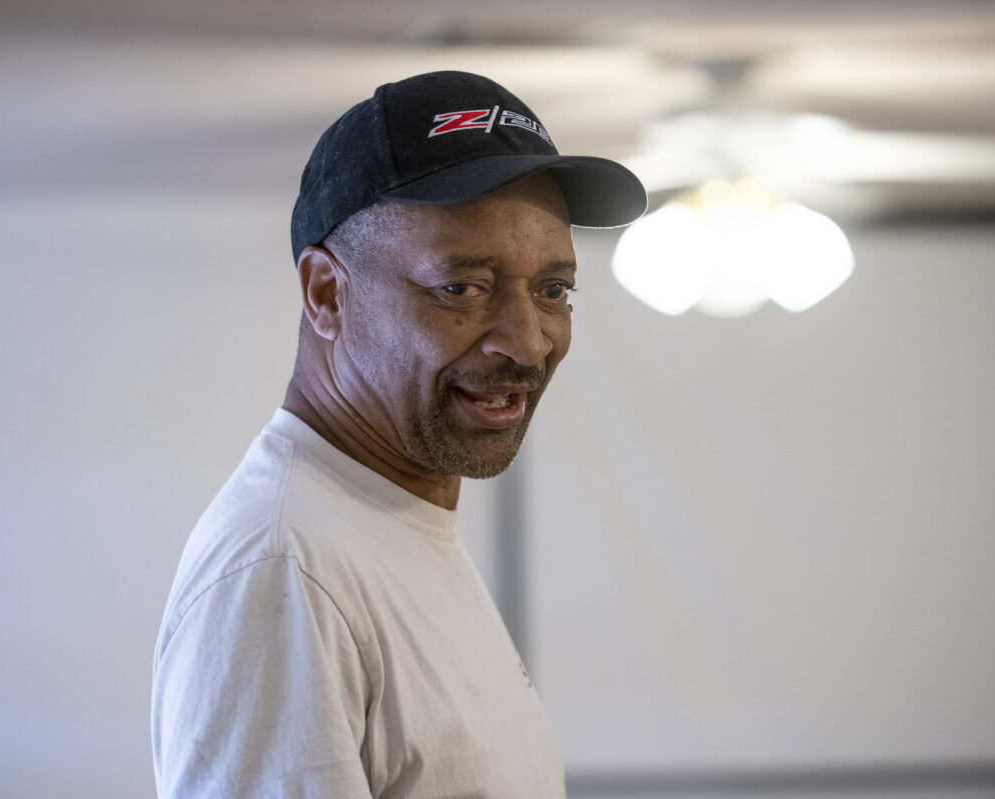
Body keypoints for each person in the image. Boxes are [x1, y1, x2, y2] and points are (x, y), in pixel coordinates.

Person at [151, 70, 645, 798]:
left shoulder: (387, 523)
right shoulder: (286, 568)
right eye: (462, 287)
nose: (529, 342)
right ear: (327, 293)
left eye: (553, 291)